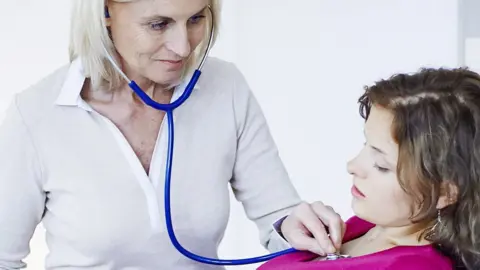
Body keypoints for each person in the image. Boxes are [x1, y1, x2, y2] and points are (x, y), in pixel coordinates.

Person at [0, 0, 345, 269]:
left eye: (196, 18)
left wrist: (299, 226)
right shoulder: (37, 115)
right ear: (105, 12)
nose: (182, 47)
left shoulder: (225, 87)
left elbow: (276, 218)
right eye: (158, 24)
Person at [258, 67, 480, 270]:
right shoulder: (373, 223)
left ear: (444, 193)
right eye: (366, 146)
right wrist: (288, 228)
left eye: (381, 166)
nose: (352, 166)